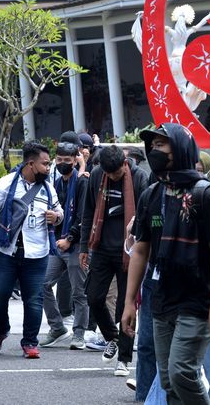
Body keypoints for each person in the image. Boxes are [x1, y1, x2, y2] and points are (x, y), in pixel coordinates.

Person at [121, 123, 210, 404]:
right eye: (153, 146)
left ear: (180, 149)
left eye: (161, 145)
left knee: (182, 371)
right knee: (169, 379)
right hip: (161, 298)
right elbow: (141, 250)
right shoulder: (152, 194)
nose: (154, 151)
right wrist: (129, 302)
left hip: (197, 298)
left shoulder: (206, 195)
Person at [81, 145, 148, 376]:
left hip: (129, 251)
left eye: (116, 173)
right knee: (93, 297)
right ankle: (113, 337)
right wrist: (83, 247)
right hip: (101, 248)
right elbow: (88, 211)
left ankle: (125, 359)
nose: (112, 177)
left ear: (124, 164)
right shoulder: (99, 175)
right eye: (108, 173)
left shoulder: (139, 178)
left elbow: (146, 216)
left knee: (125, 305)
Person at [0, 142, 63, 358]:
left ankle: (30, 343)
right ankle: (1, 330)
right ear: (30, 163)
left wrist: (57, 217)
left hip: (38, 254)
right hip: (7, 252)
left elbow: (59, 211)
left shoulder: (48, 188)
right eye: (45, 164)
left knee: (34, 300)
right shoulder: (6, 184)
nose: (48, 167)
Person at [40, 141, 90, 350]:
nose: (62, 163)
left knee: (79, 292)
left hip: (75, 244)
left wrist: (69, 238)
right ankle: (57, 327)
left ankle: (79, 334)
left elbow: (83, 216)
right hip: (56, 244)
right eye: (59, 160)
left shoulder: (82, 182)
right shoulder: (56, 183)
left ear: (75, 160)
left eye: (67, 161)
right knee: (42, 284)